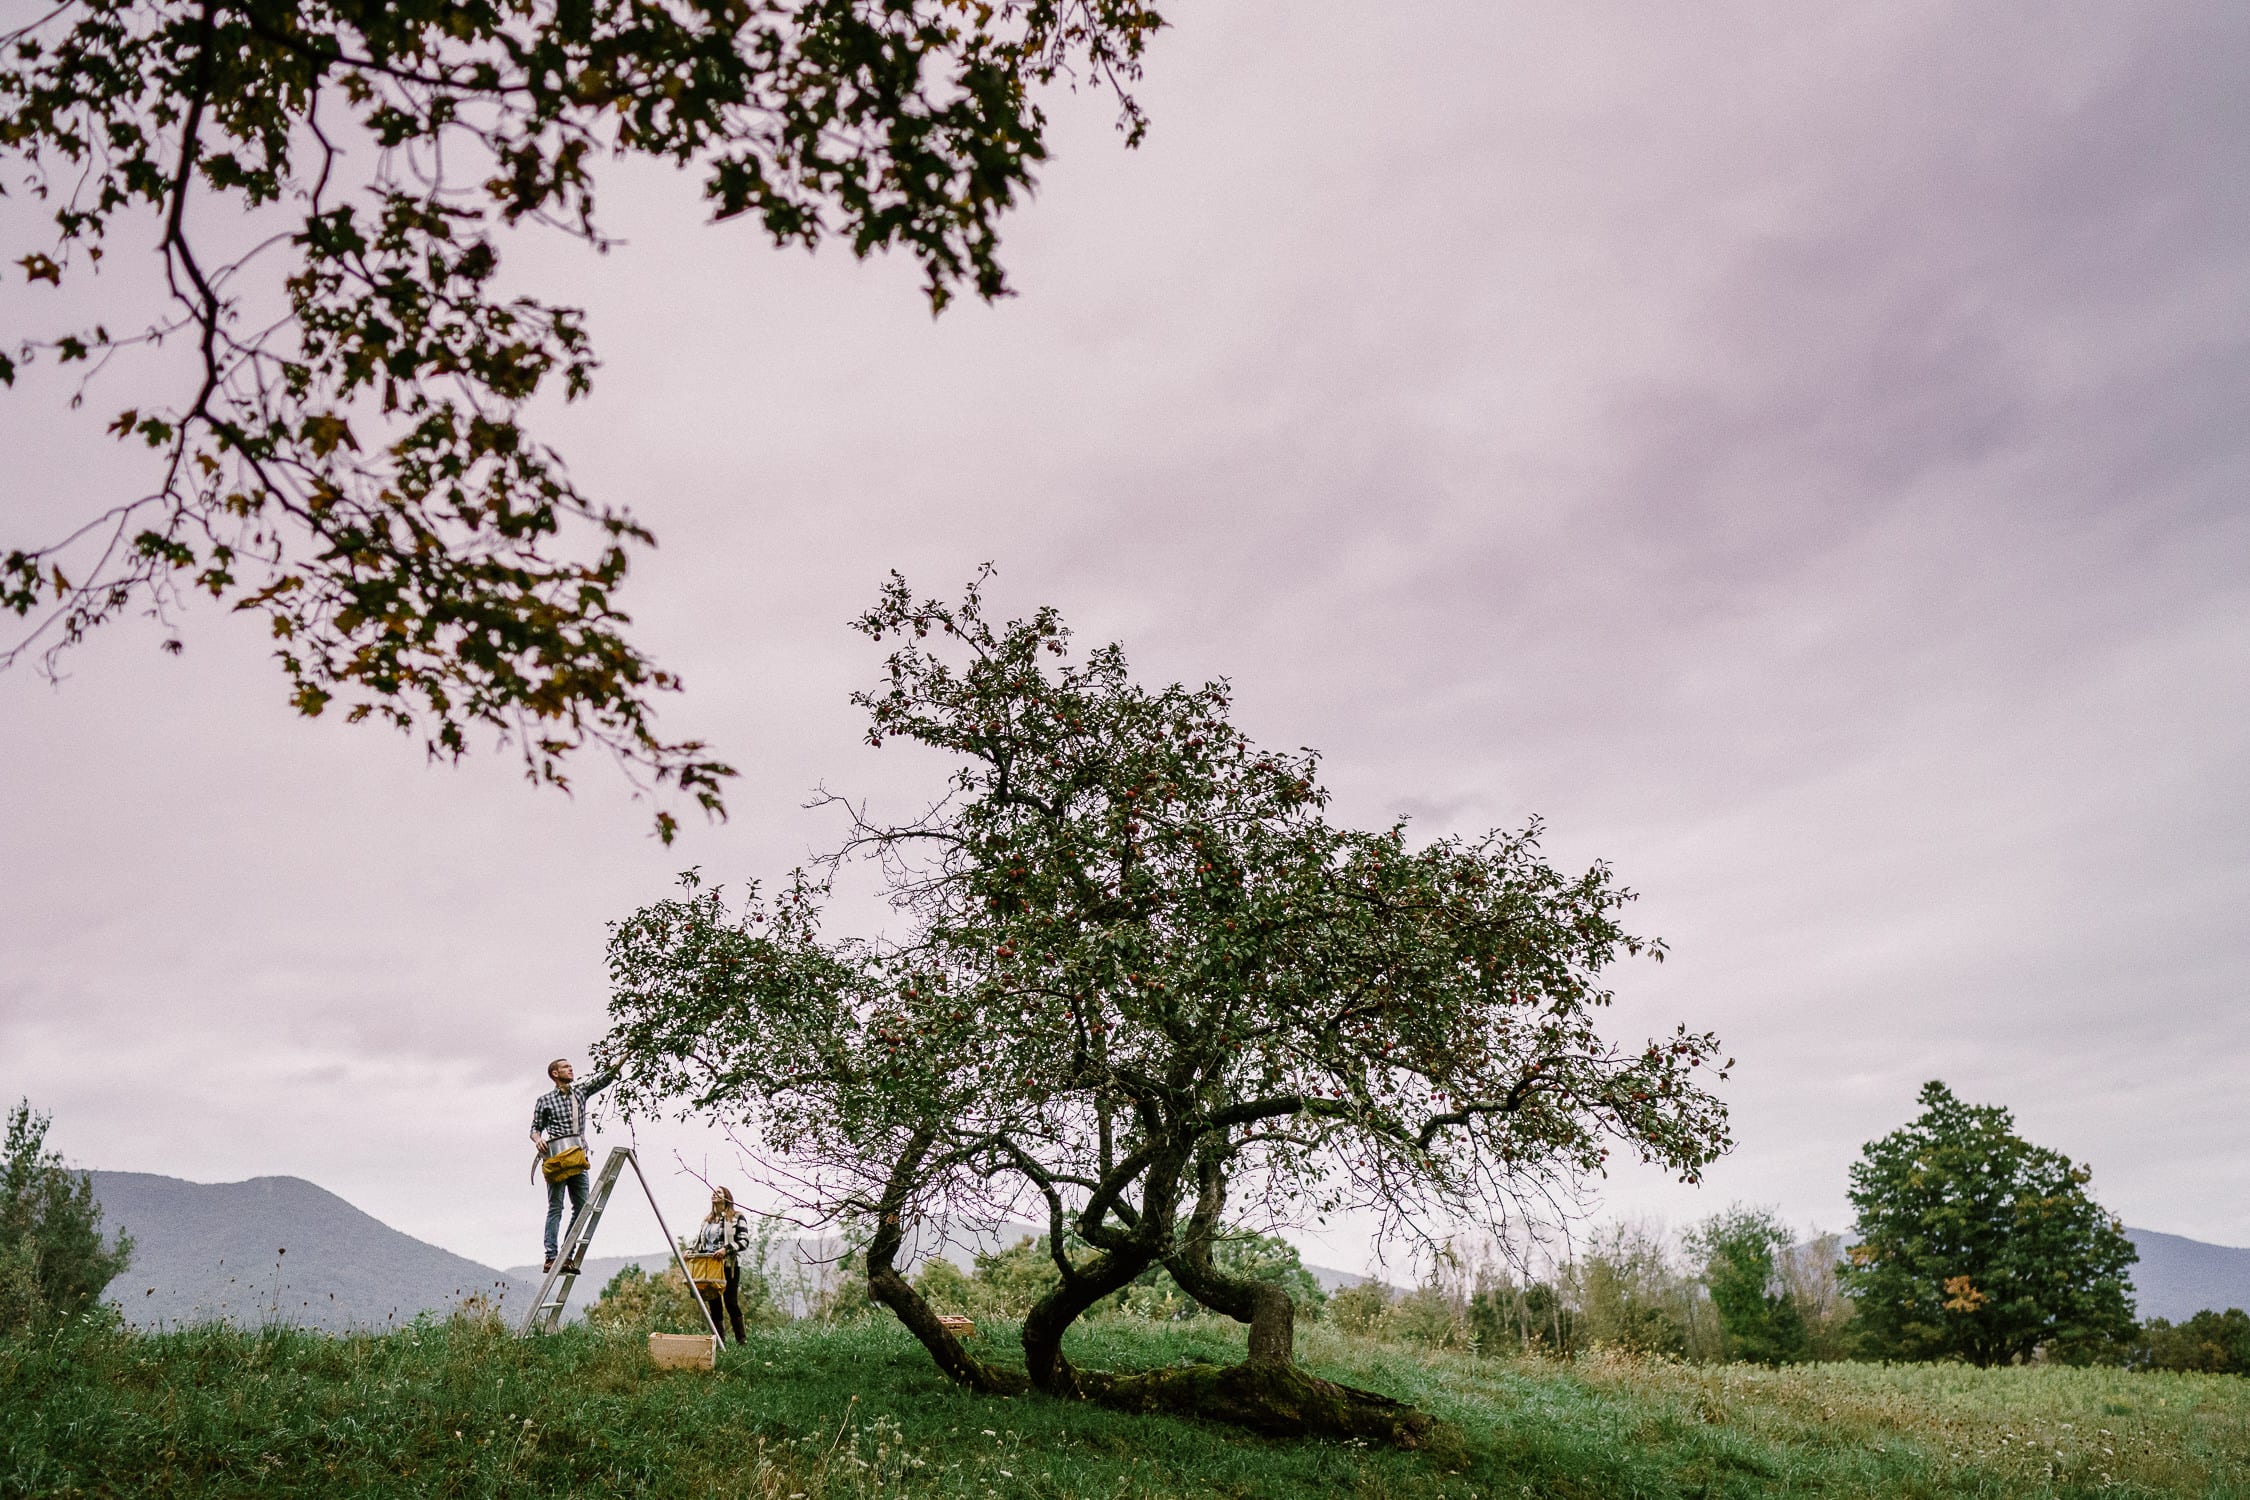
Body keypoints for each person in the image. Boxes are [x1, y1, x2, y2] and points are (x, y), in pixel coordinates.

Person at [530, 1056, 616, 1273]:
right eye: (566, 1067)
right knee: (556, 1207)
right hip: (557, 1159)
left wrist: (620, 1062)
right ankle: (551, 1256)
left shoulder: (579, 1092)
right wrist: (538, 1139)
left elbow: (602, 1080)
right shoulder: (545, 1100)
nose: (571, 1069)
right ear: (555, 1074)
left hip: (577, 1156)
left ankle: (567, 1254)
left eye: (570, 1066)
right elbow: (535, 1128)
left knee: (582, 1206)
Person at [690, 1186, 754, 1343]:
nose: (714, 1194)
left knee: (731, 1302)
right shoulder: (707, 1220)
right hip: (709, 1267)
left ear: (726, 1197)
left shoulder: (737, 1217)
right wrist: (689, 1251)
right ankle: (719, 1341)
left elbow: (744, 1241)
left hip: (728, 1266)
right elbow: (699, 1242)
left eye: (718, 1192)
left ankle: (742, 1340)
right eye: (713, 1192)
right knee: (714, 1303)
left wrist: (726, 1249)